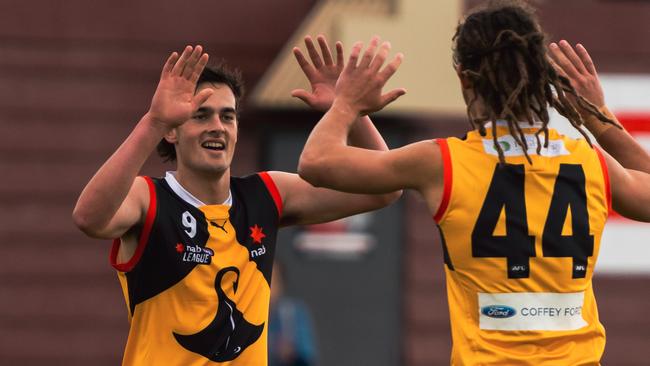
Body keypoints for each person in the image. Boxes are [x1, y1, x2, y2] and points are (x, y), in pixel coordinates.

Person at [298, 1, 650, 364]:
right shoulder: (587, 159)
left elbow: (316, 162)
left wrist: (345, 106)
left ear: (465, 79)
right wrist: (600, 117)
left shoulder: (444, 162)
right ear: (540, 73)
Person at [72, 39, 399, 365]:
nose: (217, 127)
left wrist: (346, 110)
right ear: (173, 131)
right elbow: (89, 217)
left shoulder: (267, 194)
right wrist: (154, 122)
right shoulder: (149, 198)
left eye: (227, 117)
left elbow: (384, 187)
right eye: (201, 116)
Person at [268, 262, 317, 366]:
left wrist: (291, 354)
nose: (268, 287)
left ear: (282, 284)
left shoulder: (294, 313)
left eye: (273, 281)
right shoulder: (240, 315)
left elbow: (307, 357)